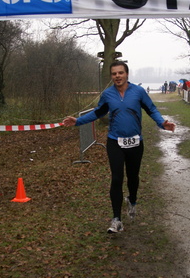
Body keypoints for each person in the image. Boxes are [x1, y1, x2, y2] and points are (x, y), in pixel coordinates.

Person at [62, 61, 176, 234]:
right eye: (114, 74)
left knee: (133, 177)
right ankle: (116, 219)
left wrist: (162, 123)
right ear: (111, 76)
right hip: (115, 141)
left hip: (135, 142)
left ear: (127, 74)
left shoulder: (138, 92)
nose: (117, 76)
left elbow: (151, 109)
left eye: (120, 73)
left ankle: (132, 199)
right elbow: (98, 112)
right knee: (116, 178)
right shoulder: (107, 94)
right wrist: (78, 121)